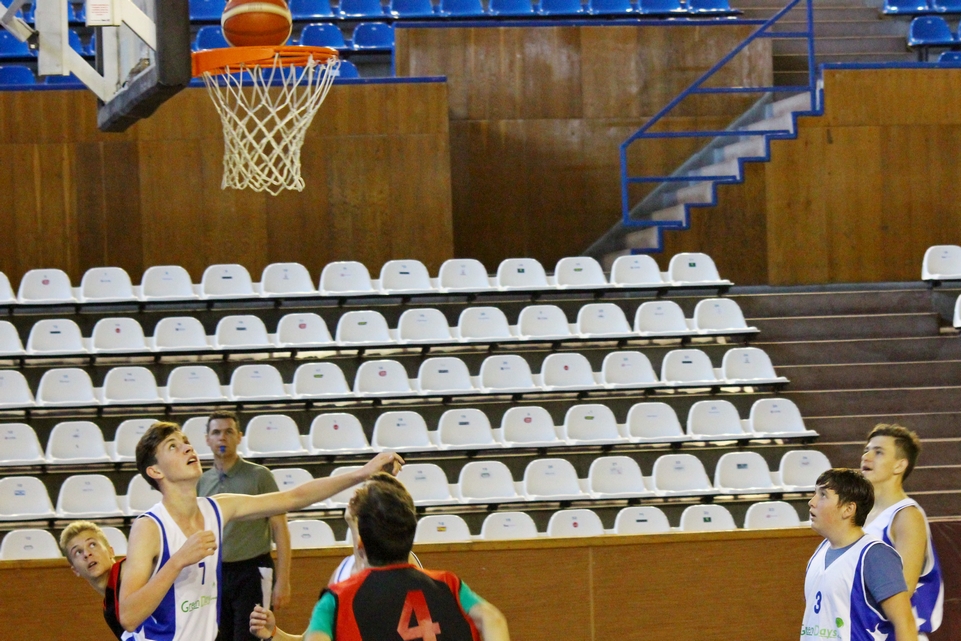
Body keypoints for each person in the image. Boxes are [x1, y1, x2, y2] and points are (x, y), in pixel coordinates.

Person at [119, 420, 403, 641]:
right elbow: (129, 617)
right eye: (173, 446)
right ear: (155, 471)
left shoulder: (217, 508)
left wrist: (362, 473)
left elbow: (293, 497)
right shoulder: (149, 527)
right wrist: (177, 561)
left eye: (186, 442)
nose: (187, 448)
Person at [249, 473, 510, 641]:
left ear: (361, 540)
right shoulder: (449, 584)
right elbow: (493, 618)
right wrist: (275, 634)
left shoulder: (336, 599)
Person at [198, 410, 292, 641]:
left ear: (239, 436)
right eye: (216, 432)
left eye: (229, 432)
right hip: (216, 574)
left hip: (253, 572)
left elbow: (280, 529)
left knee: (252, 636)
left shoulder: (260, 476)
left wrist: (283, 581)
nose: (222, 437)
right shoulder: (201, 481)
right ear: (207, 439)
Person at [803, 468, 918, 641]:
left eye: (823, 495)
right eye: (815, 494)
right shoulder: (819, 552)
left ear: (848, 509)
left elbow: (905, 624)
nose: (812, 502)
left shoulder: (875, 556)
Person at [861, 424, 944, 638]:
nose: (866, 457)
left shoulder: (907, 515)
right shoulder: (862, 514)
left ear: (899, 465)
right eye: (866, 450)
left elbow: (902, 588)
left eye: (878, 452)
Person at [60, 520, 130, 640]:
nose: (87, 554)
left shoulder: (130, 570)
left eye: (92, 545)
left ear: (110, 551)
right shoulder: (109, 610)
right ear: (75, 570)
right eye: (78, 552)